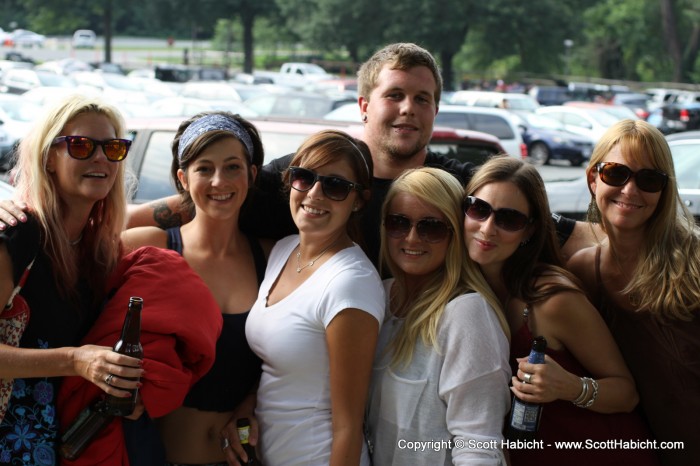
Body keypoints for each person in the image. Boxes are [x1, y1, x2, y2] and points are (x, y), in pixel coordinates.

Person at [73, 42, 585, 266]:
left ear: (435, 109)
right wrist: (65, 221)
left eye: (422, 99)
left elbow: (567, 233)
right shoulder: (312, 175)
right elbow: (201, 202)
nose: (408, 110)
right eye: (395, 96)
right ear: (364, 105)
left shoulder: (460, 188)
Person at [464, 156, 659, 465]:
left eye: (509, 219)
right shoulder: (467, 293)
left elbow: (626, 392)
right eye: (478, 208)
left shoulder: (552, 299)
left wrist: (571, 387)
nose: (488, 228)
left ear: (529, 230)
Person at [121, 111, 272, 466]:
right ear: (182, 179)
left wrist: (250, 402)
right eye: (204, 168)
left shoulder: (272, 257)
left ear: (251, 175)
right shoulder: (150, 246)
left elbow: (285, 357)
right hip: (152, 455)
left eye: (233, 167)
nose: (220, 181)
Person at [0, 94, 144, 462]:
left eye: (113, 148)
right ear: (49, 158)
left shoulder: (99, 249)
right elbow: (77, 358)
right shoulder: (19, 233)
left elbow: (170, 209)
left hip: (61, 442)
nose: (100, 158)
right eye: (81, 146)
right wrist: (76, 361)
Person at [245, 130, 385, 465]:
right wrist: (245, 408)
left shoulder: (350, 284)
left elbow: (349, 427)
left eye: (335, 186)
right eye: (304, 177)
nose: (314, 193)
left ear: (360, 200)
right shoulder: (283, 250)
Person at [567, 119, 700, 466]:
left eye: (649, 179)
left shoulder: (695, 261)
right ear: (592, 177)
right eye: (615, 172)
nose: (630, 190)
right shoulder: (583, 272)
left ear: (664, 190)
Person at [367, 167, 510, 465]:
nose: (411, 237)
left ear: (454, 234)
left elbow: (478, 446)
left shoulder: (466, 313)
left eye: (430, 227)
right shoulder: (378, 295)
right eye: (398, 222)